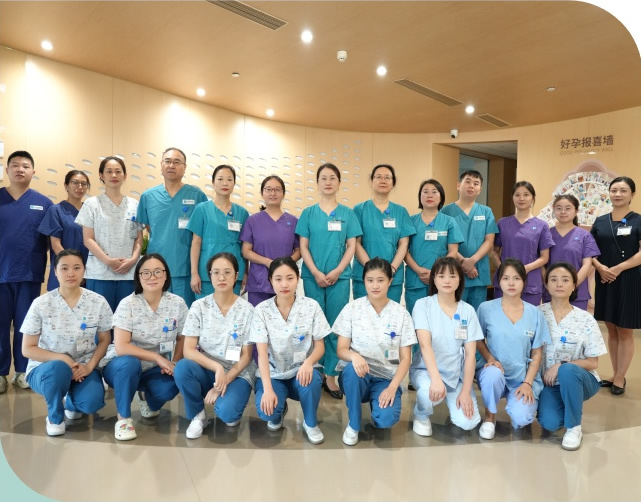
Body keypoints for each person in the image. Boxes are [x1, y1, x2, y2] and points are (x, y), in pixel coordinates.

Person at [20, 249, 112, 435]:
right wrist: (63, 358)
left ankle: (71, 403)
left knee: (91, 403)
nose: (71, 273)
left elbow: (105, 340)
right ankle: (55, 417)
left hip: (83, 367)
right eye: (64, 268)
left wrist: (89, 366)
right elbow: (27, 349)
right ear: (55, 271)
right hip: (47, 368)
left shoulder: (98, 302)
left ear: (84, 270)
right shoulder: (41, 303)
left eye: (77, 268)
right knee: (58, 368)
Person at [102, 253, 188, 440]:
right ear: (139, 277)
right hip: (122, 366)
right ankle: (123, 418)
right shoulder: (128, 304)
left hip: (156, 368)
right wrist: (157, 357)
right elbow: (121, 347)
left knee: (172, 385)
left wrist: (174, 363)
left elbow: (182, 338)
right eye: (146, 272)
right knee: (130, 363)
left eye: (157, 272)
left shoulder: (177, 304)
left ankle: (146, 398)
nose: (152, 277)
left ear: (166, 275)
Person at [296, 163, 362, 400]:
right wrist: (315, 272)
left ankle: (331, 374)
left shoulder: (348, 214)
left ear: (339, 183)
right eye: (323, 178)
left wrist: (338, 270)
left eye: (332, 178)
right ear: (317, 183)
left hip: (340, 278)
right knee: (315, 326)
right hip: (313, 276)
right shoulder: (308, 213)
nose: (328, 182)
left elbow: (352, 245)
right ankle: (315, 369)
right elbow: (303, 246)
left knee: (335, 325)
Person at [334, 258, 416, 446]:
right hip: (358, 375)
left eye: (380, 280)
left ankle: (377, 403)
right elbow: (341, 349)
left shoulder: (401, 314)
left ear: (390, 281)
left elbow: (405, 358)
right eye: (370, 280)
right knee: (352, 370)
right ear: (364, 281)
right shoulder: (352, 309)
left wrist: (392, 387)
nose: (375, 285)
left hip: (386, 378)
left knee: (385, 419)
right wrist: (354, 356)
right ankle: (353, 424)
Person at [174, 253, 256, 439]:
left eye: (227, 272)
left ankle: (227, 402)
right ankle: (197, 415)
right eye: (216, 272)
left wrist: (223, 382)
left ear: (236, 275)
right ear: (209, 275)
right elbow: (188, 350)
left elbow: (246, 356)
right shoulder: (199, 307)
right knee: (183, 368)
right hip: (207, 368)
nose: (221, 277)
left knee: (228, 414)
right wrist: (217, 368)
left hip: (237, 372)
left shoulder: (248, 310)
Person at [249, 257, 330, 445]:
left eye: (290, 278)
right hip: (274, 374)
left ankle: (310, 423)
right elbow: (261, 354)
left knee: (312, 379)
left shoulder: (311, 306)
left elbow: (320, 346)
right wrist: (268, 389)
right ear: (270, 280)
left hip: (301, 372)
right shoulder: (261, 310)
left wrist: (308, 362)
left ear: (298, 278)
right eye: (278, 279)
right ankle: (278, 411)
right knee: (268, 412)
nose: (284, 284)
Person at [476, 258, 551, 440]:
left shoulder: (535, 313)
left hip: (521, 376)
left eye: (516, 278)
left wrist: (527, 383)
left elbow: (537, 353)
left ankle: (516, 408)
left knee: (522, 418)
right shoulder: (486, 308)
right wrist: (490, 359)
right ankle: (489, 417)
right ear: (499, 281)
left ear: (524, 282)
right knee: (492, 375)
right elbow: (477, 340)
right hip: (495, 370)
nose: (511, 283)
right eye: (506, 278)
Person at [409, 257, 482, 437]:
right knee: (427, 393)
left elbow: (471, 355)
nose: (447, 281)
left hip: (456, 376)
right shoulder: (423, 305)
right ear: (433, 279)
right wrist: (435, 379)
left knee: (468, 423)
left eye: (452, 276)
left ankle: (454, 401)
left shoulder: (468, 310)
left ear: (460, 279)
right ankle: (421, 414)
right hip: (427, 371)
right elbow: (425, 346)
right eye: (441, 276)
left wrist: (466, 391)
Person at [538, 262, 607, 450]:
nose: (559, 284)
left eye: (565, 280)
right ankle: (566, 403)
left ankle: (574, 427)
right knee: (550, 422)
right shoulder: (537, 314)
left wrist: (561, 365)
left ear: (574, 285)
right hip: (550, 383)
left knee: (567, 370)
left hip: (581, 379)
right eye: (553, 280)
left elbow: (593, 362)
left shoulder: (585, 319)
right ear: (546, 284)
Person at [0, 150, 53, 392]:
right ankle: (1, 373)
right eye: (15, 165)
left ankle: (23, 371)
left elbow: (51, 241)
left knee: (26, 326)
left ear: (33, 171)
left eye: (25, 166)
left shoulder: (44, 204)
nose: (20, 169)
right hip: (1, 274)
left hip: (29, 274)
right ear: (7, 170)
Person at [137, 147, 207, 307]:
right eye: (167, 161)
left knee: (185, 313)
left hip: (187, 268)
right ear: (161, 165)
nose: (171, 166)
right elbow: (148, 227)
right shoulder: (148, 196)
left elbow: (202, 232)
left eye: (177, 162)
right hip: (156, 268)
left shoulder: (197, 195)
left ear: (184, 167)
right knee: (158, 312)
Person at [590, 176, 641, 395]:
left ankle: (620, 377)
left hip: (628, 279)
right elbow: (590, 251)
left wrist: (618, 269)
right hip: (604, 279)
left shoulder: (638, 221)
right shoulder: (600, 221)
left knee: (625, 329)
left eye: (623, 190)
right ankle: (615, 372)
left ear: (632, 195)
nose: (618, 194)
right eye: (614, 190)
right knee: (611, 328)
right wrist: (600, 267)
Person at [75, 156, 143, 314]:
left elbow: (139, 238)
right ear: (101, 175)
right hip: (100, 273)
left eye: (118, 171)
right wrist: (108, 261)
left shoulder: (134, 204)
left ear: (125, 176)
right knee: (100, 319)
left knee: (126, 319)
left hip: (128, 272)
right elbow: (88, 239)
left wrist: (133, 260)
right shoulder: (92, 204)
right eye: (109, 171)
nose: (114, 175)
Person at [353, 164, 415, 303]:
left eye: (387, 177)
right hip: (364, 275)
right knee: (363, 314)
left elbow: (404, 244)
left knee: (390, 314)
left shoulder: (401, 211)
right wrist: (371, 270)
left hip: (392, 276)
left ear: (393, 183)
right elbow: (355, 243)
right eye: (378, 177)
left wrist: (391, 269)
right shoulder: (359, 210)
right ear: (371, 181)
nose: (383, 180)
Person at [188, 164, 249, 298]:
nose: (225, 183)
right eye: (220, 179)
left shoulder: (242, 213)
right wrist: (194, 273)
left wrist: (245, 273)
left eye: (229, 179)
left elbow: (245, 246)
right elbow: (196, 243)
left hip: (234, 273)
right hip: (207, 274)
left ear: (234, 183)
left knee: (231, 309)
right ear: (213, 182)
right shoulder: (202, 209)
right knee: (206, 309)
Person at [405, 179, 463, 316]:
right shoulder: (410, 221)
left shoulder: (449, 221)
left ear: (441, 197)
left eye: (434, 192)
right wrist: (418, 270)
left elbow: (453, 251)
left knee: (440, 318)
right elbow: (404, 250)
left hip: (441, 279)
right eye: (425, 192)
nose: (429, 195)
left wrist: (435, 272)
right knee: (416, 318)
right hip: (416, 279)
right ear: (420, 197)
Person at [441, 170, 498, 311]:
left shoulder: (486, 212)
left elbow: (489, 241)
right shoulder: (446, 211)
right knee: (454, 313)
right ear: (458, 185)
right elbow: (444, 241)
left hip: (479, 271)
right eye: (467, 181)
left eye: (476, 183)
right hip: (454, 270)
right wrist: (464, 262)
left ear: (480, 189)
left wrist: (472, 261)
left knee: (477, 314)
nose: (471, 185)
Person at [241, 175, 300, 306]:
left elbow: (299, 250)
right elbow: (246, 251)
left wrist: (284, 264)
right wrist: (268, 262)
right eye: (268, 189)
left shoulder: (293, 221)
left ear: (283, 193)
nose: (273, 193)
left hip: (285, 281)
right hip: (259, 282)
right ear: (262, 193)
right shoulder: (253, 220)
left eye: (277, 190)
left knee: (285, 316)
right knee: (259, 317)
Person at [492, 181, 555, 306]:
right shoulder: (502, 223)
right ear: (513, 198)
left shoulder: (541, 225)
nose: (521, 198)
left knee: (529, 316)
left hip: (530, 281)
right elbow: (494, 252)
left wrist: (525, 269)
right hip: (505, 280)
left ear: (532, 198)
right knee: (502, 315)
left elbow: (544, 257)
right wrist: (504, 269)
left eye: (526, 195)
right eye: (517, 195)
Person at [543, 194, 600, 310]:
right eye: (559, 208)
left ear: (576, 211)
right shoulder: (546, 234)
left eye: (568, 208)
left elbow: (587, 264)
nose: (563, 212)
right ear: (554, 210)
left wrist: (572, 284)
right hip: (551, 292)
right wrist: (548, 284)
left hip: (577, 292)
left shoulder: (585, 236)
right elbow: (542, 263)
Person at [38, 170, 91, 291]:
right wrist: (74, 269)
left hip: (89, 272)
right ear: (66, 186)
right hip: (65, 270)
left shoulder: (90, 211)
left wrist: (84, 271)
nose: (80, 187)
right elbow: (56, 245)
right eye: (75, 182)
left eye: (84, 184)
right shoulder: (56, 210)